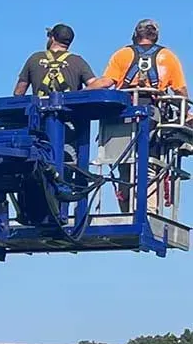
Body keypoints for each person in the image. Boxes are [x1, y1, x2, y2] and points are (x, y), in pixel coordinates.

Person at [98, 19, 190, 213]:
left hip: (122, 114)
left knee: (122, 161)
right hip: (152, 114)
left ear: (135, 35)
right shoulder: (167, 56)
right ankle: (147, 210)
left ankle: (127, 211)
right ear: (155, 36)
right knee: (149, 163)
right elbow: (180, 90)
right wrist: (187, 113)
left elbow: (108, 81)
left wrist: (86, 91)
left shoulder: (122, 55)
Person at [14, 23, 99, 98]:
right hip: (70, 113)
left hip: (40, 113)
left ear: (53, 38)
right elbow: (95, 84)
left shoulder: (34, 58)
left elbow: (19, 92)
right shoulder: (78, 61)